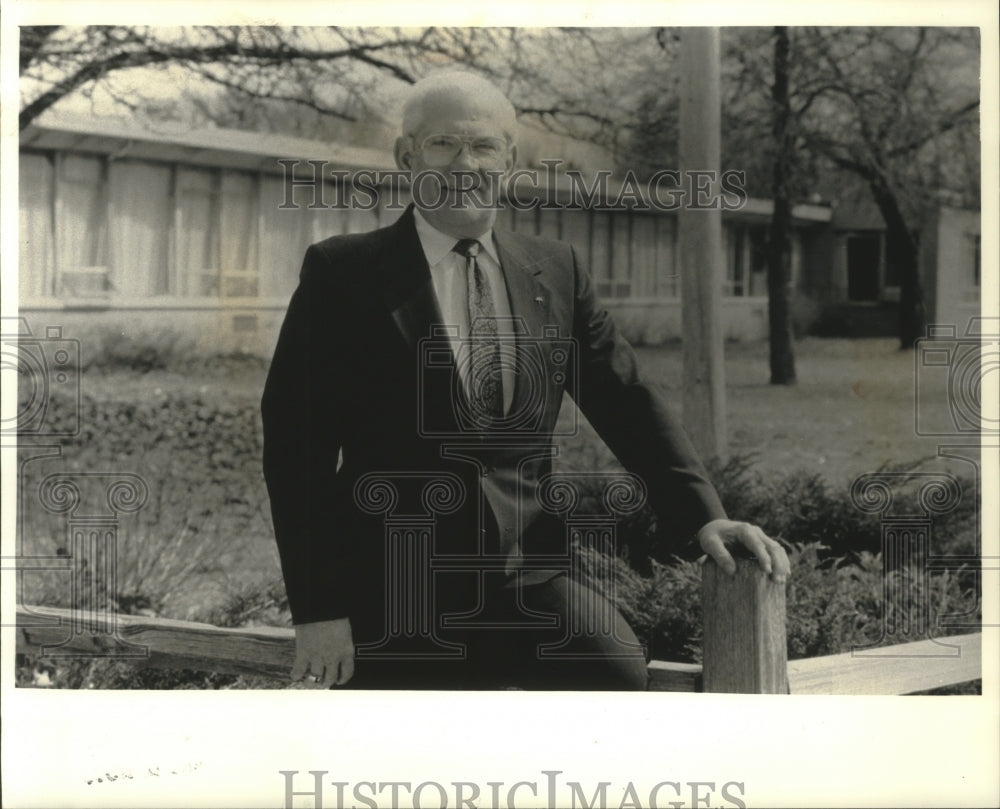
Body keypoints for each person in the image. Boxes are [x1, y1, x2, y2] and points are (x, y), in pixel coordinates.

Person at [261, 70, 789, 691]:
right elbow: (297, 452)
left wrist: (705, 516)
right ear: (407, 156)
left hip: (528, 576)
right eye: (443, 145)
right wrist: (320, 611)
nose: (465, 165)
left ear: (509, 159)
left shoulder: (556, 269)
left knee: (619, 678)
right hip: (393, 584)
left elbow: (626, 399)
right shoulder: (341, 274)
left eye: (483, 147)